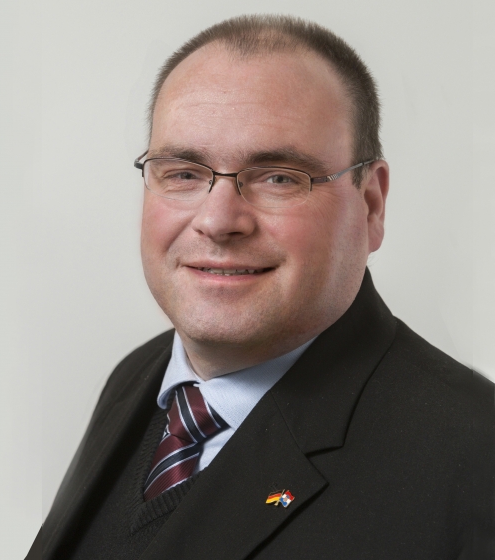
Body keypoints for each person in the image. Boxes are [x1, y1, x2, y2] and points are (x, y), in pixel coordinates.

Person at [28, 14, 494, 560]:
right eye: (183, 173)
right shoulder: (138, 378)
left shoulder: (475, 459)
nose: (218, 220)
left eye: (278, 177)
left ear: (371, 205)